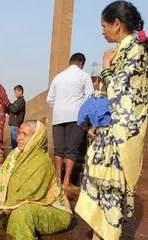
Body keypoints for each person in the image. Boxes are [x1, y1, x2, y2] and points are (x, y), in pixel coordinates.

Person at [75, 2, 148, 240]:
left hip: (122, 135)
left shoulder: (136, 51)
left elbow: (126, 94)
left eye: (104, 26)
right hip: (107, 133)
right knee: (99, 186)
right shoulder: (121, 50)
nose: (102, 31)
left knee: (112, 191)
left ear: (117, 24)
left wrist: (106, 69)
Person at [0, 121, 72, 239]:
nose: (19, 137)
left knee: (21, 215)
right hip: (18, 203)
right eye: (19, 132)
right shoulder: (14, 155)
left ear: (36, 138)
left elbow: (28, 195)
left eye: (25, 134)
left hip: (51, 208)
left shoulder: (42, 162)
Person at [46, 52, 94, 189]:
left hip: (58, 117)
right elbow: (89, 98)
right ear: (82, 63)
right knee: (72, 150)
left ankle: (57, 180)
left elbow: (49, 99)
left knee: (59, 150)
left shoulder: (58, 77)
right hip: (75, 116)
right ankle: (67, 182)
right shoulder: (84, 76)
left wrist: (61, 106)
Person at [8, 85, 26, 149]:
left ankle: (16, 157)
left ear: (20, 92)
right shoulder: (16, 101)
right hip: (13, 124)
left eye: (16, 92)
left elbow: (14, 109)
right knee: (13, 142)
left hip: (16, 125)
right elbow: (11, 111)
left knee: (15, 142)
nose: (15, 94)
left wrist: (8, 104)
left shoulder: (21, 101)